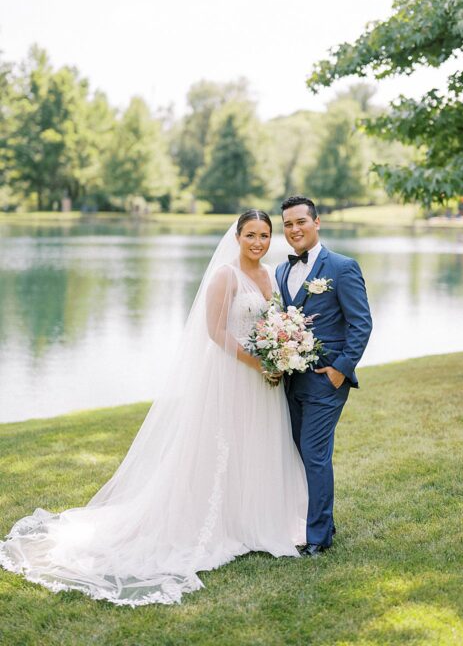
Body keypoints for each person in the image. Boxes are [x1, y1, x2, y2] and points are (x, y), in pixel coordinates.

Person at [0, 210, 307, 606]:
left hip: (264, 381)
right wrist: (258, 362)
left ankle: (255, 518)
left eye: (265, 235)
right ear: (237, 236)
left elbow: (273, 324)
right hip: (233, 376)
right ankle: (218, 522)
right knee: (222, 444)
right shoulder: (225, 276)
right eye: (251, 234)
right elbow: (215, 332)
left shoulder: (271, 274)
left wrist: (280, 354)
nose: (258, 242)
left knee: (257, 444)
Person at [275, 195, 372, 557]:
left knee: (315, 454)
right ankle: (317, 520)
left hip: (326, 380)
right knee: (298, 452)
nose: (294, 229)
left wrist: (340, 370)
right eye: (287, 224)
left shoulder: (342, 267)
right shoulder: (281, 272)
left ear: (317, 222)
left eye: (301, 221)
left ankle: (318, 538)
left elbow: (361, 324)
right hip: (290, 381)